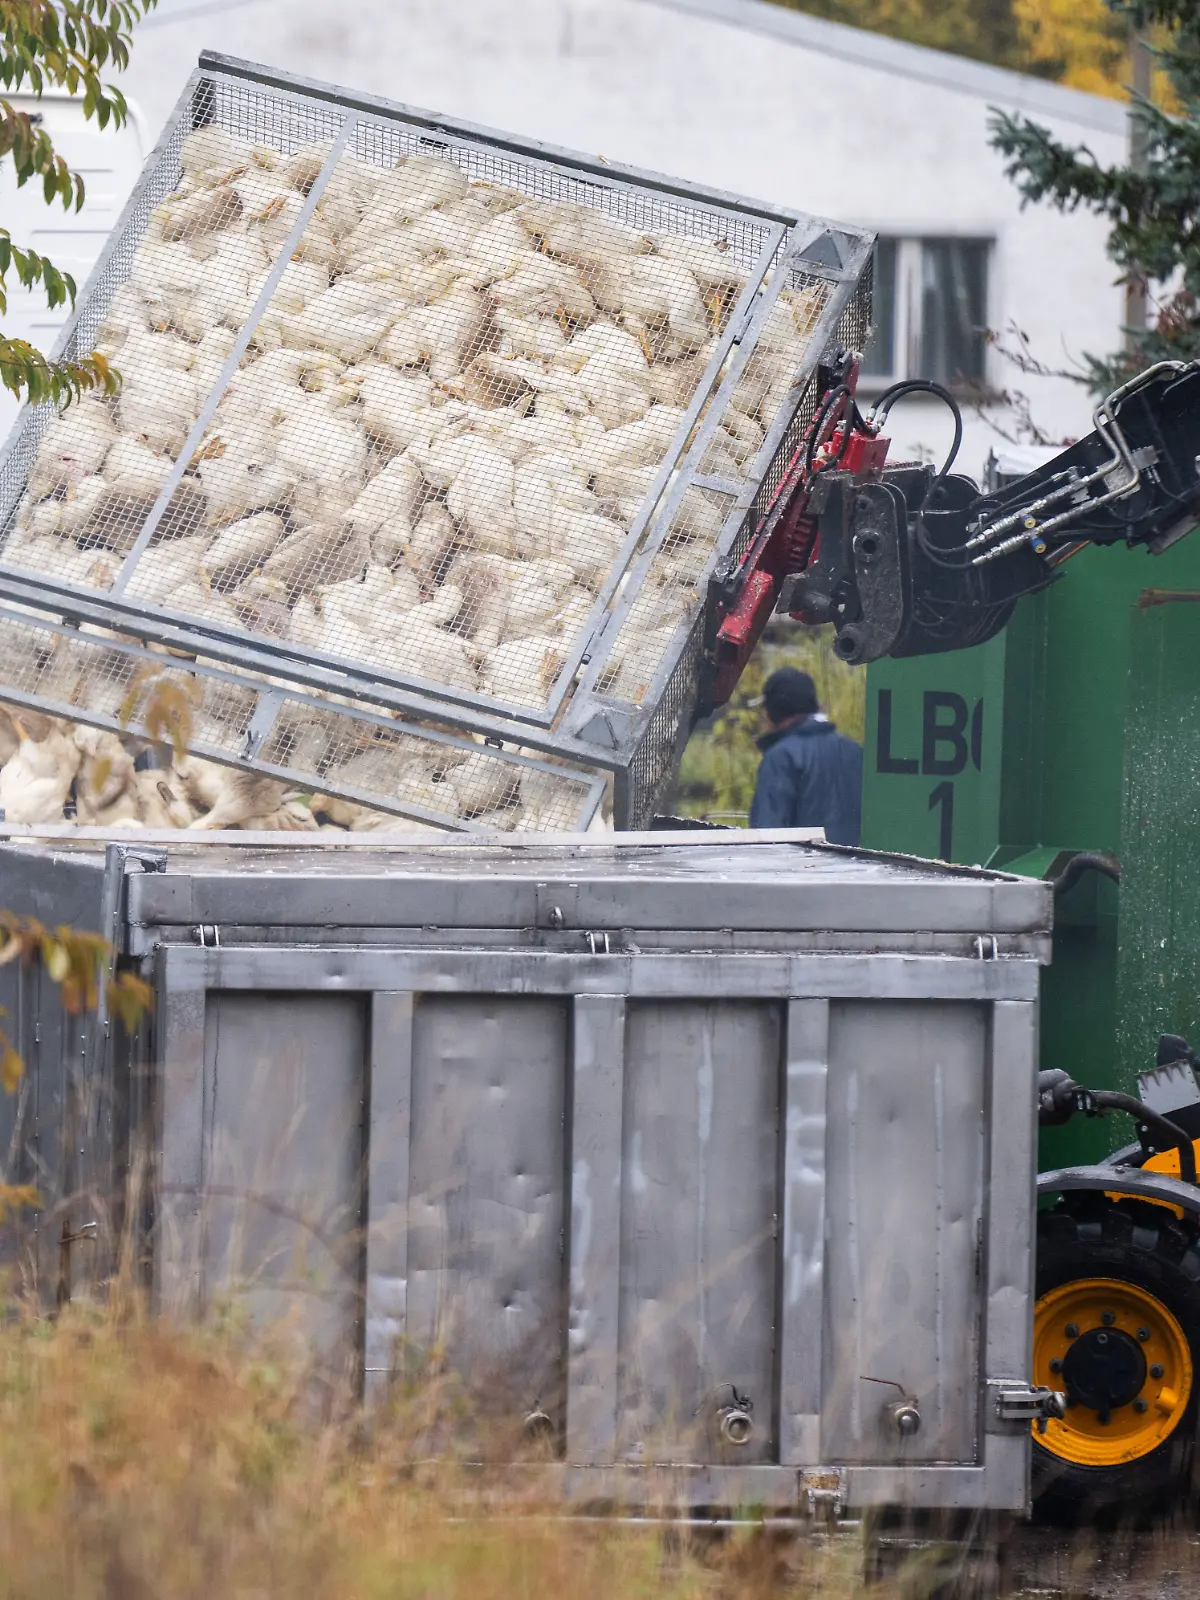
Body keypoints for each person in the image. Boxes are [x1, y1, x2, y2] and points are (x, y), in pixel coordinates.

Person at [748, 667, 863, 844]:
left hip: (805, 870)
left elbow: (767, 835)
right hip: (860, 868)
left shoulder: (781, 757)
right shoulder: (855, 751)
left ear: (772, 711)